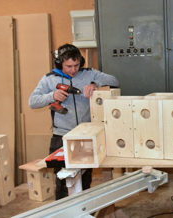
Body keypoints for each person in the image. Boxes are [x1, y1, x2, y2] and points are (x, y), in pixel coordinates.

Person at [29, 43, 119, 199]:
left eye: (76, 65)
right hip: (62, 136)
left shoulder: (89, 73)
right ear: (60, 64)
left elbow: (115, 81)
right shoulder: (49, 79)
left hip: (86, 135)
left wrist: (95, 84)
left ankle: (84, 212)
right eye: (68, 66)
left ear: (81, 62)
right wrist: (52, 96)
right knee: (64, 180)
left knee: (84, 179)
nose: (73, 70)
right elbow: (33, 101)